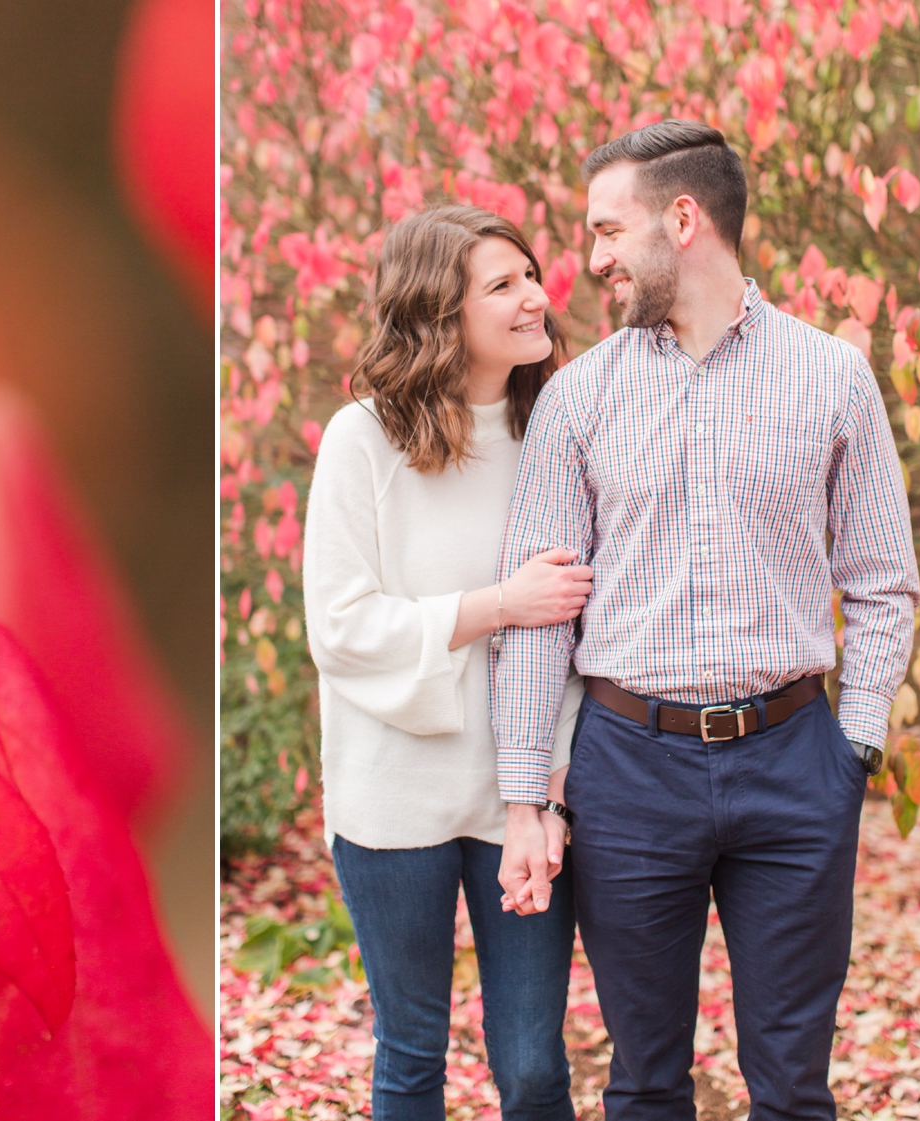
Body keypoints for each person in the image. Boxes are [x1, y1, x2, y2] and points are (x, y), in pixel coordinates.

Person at [491, 120, 919, 1121]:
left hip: (794, 760)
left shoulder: (831, 376)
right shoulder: (576, 400)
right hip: (630, 770)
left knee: (794, 1087)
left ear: (683, 220)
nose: (590, 258)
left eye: (608, 228)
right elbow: (539, 611)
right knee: (642, 1084)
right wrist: (527, 790)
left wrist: (851, 742)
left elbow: (883, 579)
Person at [302, 204, 594, 1121]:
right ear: (439, 312)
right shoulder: (364, 440)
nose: (534, 298)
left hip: (523, 798)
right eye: (501, 285)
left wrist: (545, 793)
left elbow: (583, 631)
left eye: (531, 276)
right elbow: (342, 626)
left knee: (536, 1065)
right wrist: (497, 605)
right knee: (411, 1053)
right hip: (394, 795)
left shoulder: (558, 428)